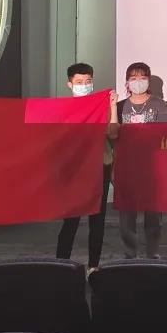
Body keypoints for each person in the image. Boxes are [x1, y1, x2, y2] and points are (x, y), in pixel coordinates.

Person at [56, 62, 118, 274]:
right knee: (71, 220)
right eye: (79, 82)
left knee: (97, 219)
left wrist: (113, 107)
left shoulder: (102, 106)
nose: (84, 85)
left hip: (100, 165)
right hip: (74, 170)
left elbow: (113, 133)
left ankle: (94, 266)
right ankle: (61, 264)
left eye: (88, 81)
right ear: (70, 84)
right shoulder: (63, 109)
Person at [116, 61, 167, 259]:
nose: (138, 81)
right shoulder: (120, 106)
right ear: (127, 82)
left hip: (152, 165)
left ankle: (152, 252)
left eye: (142, 78)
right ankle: (130, 254)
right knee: (126, 214)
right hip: (126, 165)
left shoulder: (158, 104)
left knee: (153, 213)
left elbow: (164, 134)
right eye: (133, 78)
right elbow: (113, 135)